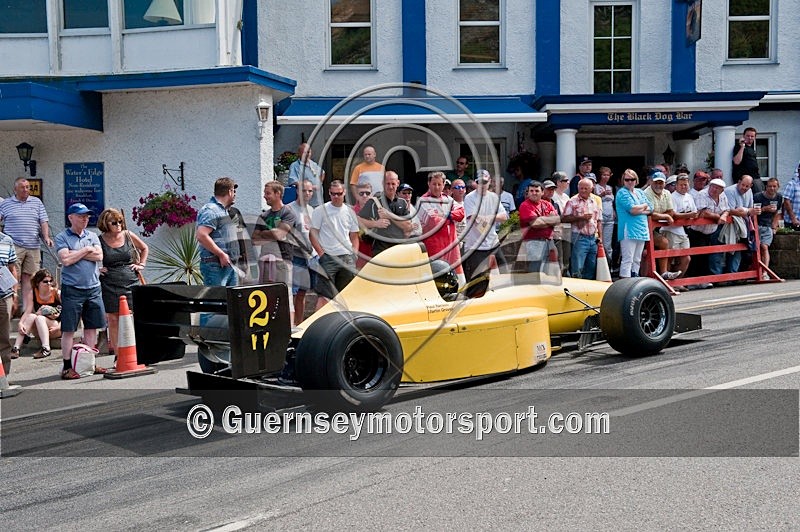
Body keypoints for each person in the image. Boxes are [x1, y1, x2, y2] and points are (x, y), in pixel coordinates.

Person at [55, 203, 106, 380]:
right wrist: (86, 250)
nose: (85, 219)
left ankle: (89, 363)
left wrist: (75, 253)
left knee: (91, 328)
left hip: (93, 288)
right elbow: (66, 260)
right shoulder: (62, 237)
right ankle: (67, 366)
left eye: (87, 216)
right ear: (71, 217)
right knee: (69, 329)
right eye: (81, 216)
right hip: (72, 289)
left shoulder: (92, 235)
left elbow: (99, 256)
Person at [97, 208, 148, 357]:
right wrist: (97, 269)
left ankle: (138, 352)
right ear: (106, 224)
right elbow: (92, 256)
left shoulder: (128, 235)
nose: (118, 225)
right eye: (114, 222)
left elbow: (144, 248)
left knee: (134, 316)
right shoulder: (99, 240)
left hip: (130, 280)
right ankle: (118, 355)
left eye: (120, 221)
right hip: (109, 282)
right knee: (113, 319)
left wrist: (141, 264)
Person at [0, 177, 53, 317]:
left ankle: (26, 310)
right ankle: (11, 309)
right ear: (15, 189)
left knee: (30, 278)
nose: (26, 190)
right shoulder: (6, 204)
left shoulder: (37, 202)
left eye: (28, 187)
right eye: (22, 187)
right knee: (12, 278)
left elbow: (43, 221)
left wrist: (46, 237)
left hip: (33, 246)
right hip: (14, 246)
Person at [310, 180, 360, 308]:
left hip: (346, 256)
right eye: (333, 194)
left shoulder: (350, 211)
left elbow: (354, 235)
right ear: (329, 193)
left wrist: (354, 253)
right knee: (324, 297)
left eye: (339, 193)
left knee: (347, 295)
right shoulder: (320, 210)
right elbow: (313, 234)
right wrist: (321, 254)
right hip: (328, 257)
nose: (336, 196)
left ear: (344, 192)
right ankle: (320, 320)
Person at [252, 181, 297, 323]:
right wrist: (272, 233)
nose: (265, 196)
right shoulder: (263, 216)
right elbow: (254, 239)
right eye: (265, 193)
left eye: (268, 193)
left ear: (278, 194)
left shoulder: (288, 213)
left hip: (282, 260)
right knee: (266, 295)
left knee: (285, 295)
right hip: (265, 261)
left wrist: (264, 233)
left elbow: (280, 234)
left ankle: (289, 328)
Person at [417, 171, 466, 284]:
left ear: (443, 185)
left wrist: (447, 215)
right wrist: (451, 217)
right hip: (434, 250)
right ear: (429, 184)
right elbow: (434, 221)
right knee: (437, 284)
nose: (437, 187)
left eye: (439, 184)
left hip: (452, 249)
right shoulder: (423, 200)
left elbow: (461, 213)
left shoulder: (448, 199)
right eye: (434, 184)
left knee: (460, 283)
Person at [462, 172, 508, 282]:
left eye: (485, 182)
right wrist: (492, 219)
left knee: (505, 274)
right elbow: (475, 220)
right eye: (479, 182)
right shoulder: (469, 198)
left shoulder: (494, 197)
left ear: (489, 182)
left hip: (493, 243)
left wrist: (488, 218)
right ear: (475, 183)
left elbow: (504, 216)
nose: (482, 185)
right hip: (475, 247)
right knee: (478, 281)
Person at [196, 177, 239, 287]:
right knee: (216, 297)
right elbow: (201, 235)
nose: (235, 194)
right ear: (230, 192)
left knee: (232, 298)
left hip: (228, 265)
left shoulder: (222, 210)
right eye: (234, 191)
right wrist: (221, 254)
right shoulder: (211, 210)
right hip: (215, 266)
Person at [358, 171, 411, 257]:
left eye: (393, 184)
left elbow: (408, 226)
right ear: (383, 183)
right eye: (388, 183)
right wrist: (375, 223)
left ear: (398, 183)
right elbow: (358, 220)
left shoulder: (402, 202)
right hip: (380, 250)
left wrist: (389, 215)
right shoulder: (374, 201)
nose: (390, 187)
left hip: (399, 249)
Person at [285, 180, 317, 325]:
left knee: (303, 293)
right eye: (304, 190)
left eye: (310, 191)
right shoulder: (289, 209)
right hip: (295, 256)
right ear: (297, 191)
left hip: (310, 256)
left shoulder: (312, 210)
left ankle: (300, 323)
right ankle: (291, 324)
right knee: (292, 293)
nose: (307, 194)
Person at [11, 268, 59, 360]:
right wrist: (20, 323)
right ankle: (16, 348)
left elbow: (67, 314)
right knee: (32, 316)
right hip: (40, 327)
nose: (49, 284)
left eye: (50, 281)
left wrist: (59, 327)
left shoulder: (56, 293)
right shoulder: (33, 293)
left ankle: (46, 348)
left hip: (56, 327)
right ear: (38, 283)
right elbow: (28, 311)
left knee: (39, 318)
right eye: (45, 281)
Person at [661, 174, 698, 290]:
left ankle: (677, 282)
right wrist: (688, 215)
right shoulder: (672, 197)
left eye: (685, 184)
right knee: (670, 258)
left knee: (686, 258)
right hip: (671, 231)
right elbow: (673, 215)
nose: (683, 187)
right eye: (681, 185)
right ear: (676, 185)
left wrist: (690, 215)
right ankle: (667, 283)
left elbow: (694, 212)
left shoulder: (689, 197)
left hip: (683, 231)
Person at [691, 178, 730, 285]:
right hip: (697, 231)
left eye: (717, 188)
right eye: (712, 187)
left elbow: (727, 209)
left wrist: (724, 215)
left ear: (721, 190)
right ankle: (696, 281)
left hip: (712, 230)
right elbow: (703, 212)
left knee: (710, 255)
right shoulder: (702, 194)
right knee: (698, 257)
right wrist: (718, 217)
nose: (714, 189)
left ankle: (705, 280)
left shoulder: (723, 196)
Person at [615, 169, 653, 279]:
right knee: (628, 259)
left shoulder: (640, 192)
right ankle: (625, 281)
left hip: (641, 229)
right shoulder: (622, 192)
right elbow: (632, 209)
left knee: (637, 259)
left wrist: (640, 209)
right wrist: (644, 206)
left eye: (632, 179)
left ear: (636, 180)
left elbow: (651, 208)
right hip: (628, 229)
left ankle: (634, 277)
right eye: (627, 180)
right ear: (623, 181)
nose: (630, 182)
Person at [644, 172, 682, 280]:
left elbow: (670, 212)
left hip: (653, 228)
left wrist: (662, 215)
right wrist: (665, 216)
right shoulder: (646, 193)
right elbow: (650, 213)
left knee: (664, 243)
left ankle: (664, 273)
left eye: (661, 183)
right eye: (656, 182)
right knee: (644, 253)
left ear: (665, 184)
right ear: (651, 182)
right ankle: (644, 278)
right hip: (641, 228)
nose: (658, 185)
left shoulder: (667, 193)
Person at [561, 178, 602, 279]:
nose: (583, 190)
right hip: (579, 237)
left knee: (591, 267)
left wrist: (600, 237)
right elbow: (564, 218)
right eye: (581, 188)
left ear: (591, 189)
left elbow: (599, 221)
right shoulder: (572, 201)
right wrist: (580, 217)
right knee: (577, 267)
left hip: (593, 238)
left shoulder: (594, 201)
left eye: (586, 188)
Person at [518, 181, 560, 272]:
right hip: (534, 242)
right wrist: (549, 219)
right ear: (528, 193)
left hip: (549, 240)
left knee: (552, 270)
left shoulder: (547, 204)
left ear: (542, 192)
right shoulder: (525, 205)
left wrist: (543, 220)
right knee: (535, 270)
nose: (534, 193)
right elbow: (535, 224)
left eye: (537, 191)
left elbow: (557, 220)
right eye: (531, 191)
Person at [722, 175, 754, 274]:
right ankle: (726, 274)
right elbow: (730, 210)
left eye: (747, 186)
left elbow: (751, 208)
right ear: (739, 182)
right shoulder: (730, 191)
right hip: (730, 224)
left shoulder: (749, 191)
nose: (744, 188)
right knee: (729, 249)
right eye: (743, 185)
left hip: (743, 224)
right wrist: (746, 212)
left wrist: (744, 210)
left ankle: (733, 273)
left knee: (740, 249)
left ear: (751, 186)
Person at [753, 177, 783, 275]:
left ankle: (765, 272)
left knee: (764, 247)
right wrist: (765, 209)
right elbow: (753, 212)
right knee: (755, 249)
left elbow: (778, 213)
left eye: (774, 186)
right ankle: (757, 272)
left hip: (767, 226)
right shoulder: (758, 197)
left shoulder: (779, 197)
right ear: (766, 187)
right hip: (756, 225)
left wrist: (774, 226)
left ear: (778, 187)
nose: (772, 188)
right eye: (770, 186)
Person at [0, 228, 17, 378]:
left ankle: (3, 377)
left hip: (4, 295)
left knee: (4, 337)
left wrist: (15, 293)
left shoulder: (7, 240)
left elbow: (12, 268)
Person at [287, 143, 326, 207]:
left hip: (318, 201)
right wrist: (310, 187)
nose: (307, 154)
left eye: (308, 152)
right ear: (299, 153)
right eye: (304, 152)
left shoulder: (313, 164)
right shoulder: (295, 166)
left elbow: (322, 173)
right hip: (305, 203)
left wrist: (319, 183)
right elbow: (293, 181)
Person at [551, 171, 572, 275]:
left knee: (566, 257)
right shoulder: (553, 196)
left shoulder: (566, 197)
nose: (568, 182)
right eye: (565, 180)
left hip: (567, 229)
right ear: (558, 182)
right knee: (559, 257)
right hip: (557, 230)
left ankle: (565, 278)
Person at [595, 166, 615, 266]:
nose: (606, 177)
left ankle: (609, 265)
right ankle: (599, 265)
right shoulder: (595, 187)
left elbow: (612, 202)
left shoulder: (610, 187)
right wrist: (602, 194)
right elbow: (594, 199)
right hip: (600, 217)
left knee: (608, 244)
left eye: (608, 175)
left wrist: (614, 211)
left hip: (610, 217)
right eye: (604, 175)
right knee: (599, 241)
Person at [733, 127, 762, 193]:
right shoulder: (739, 146)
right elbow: (736, 161)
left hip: (755, 177)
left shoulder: (751, 149)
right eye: (748, 136)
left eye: (752, 136)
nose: (750, 138)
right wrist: (742, 146)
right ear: (743, 136)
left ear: (755, 137)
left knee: (758, 197)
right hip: (745, 180)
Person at [352, 181, 374, 268]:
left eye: (367, 193)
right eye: (361, 193)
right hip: (358, 257)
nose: (365, 196)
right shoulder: (350, 212)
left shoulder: (378, 211)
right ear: (356, 196)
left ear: (371, 195)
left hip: (375, 255)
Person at [782, 161, 800, 229]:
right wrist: (793, 219)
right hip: (792, 222)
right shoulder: (792, 184)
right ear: (799, 171)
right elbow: (786, 202)